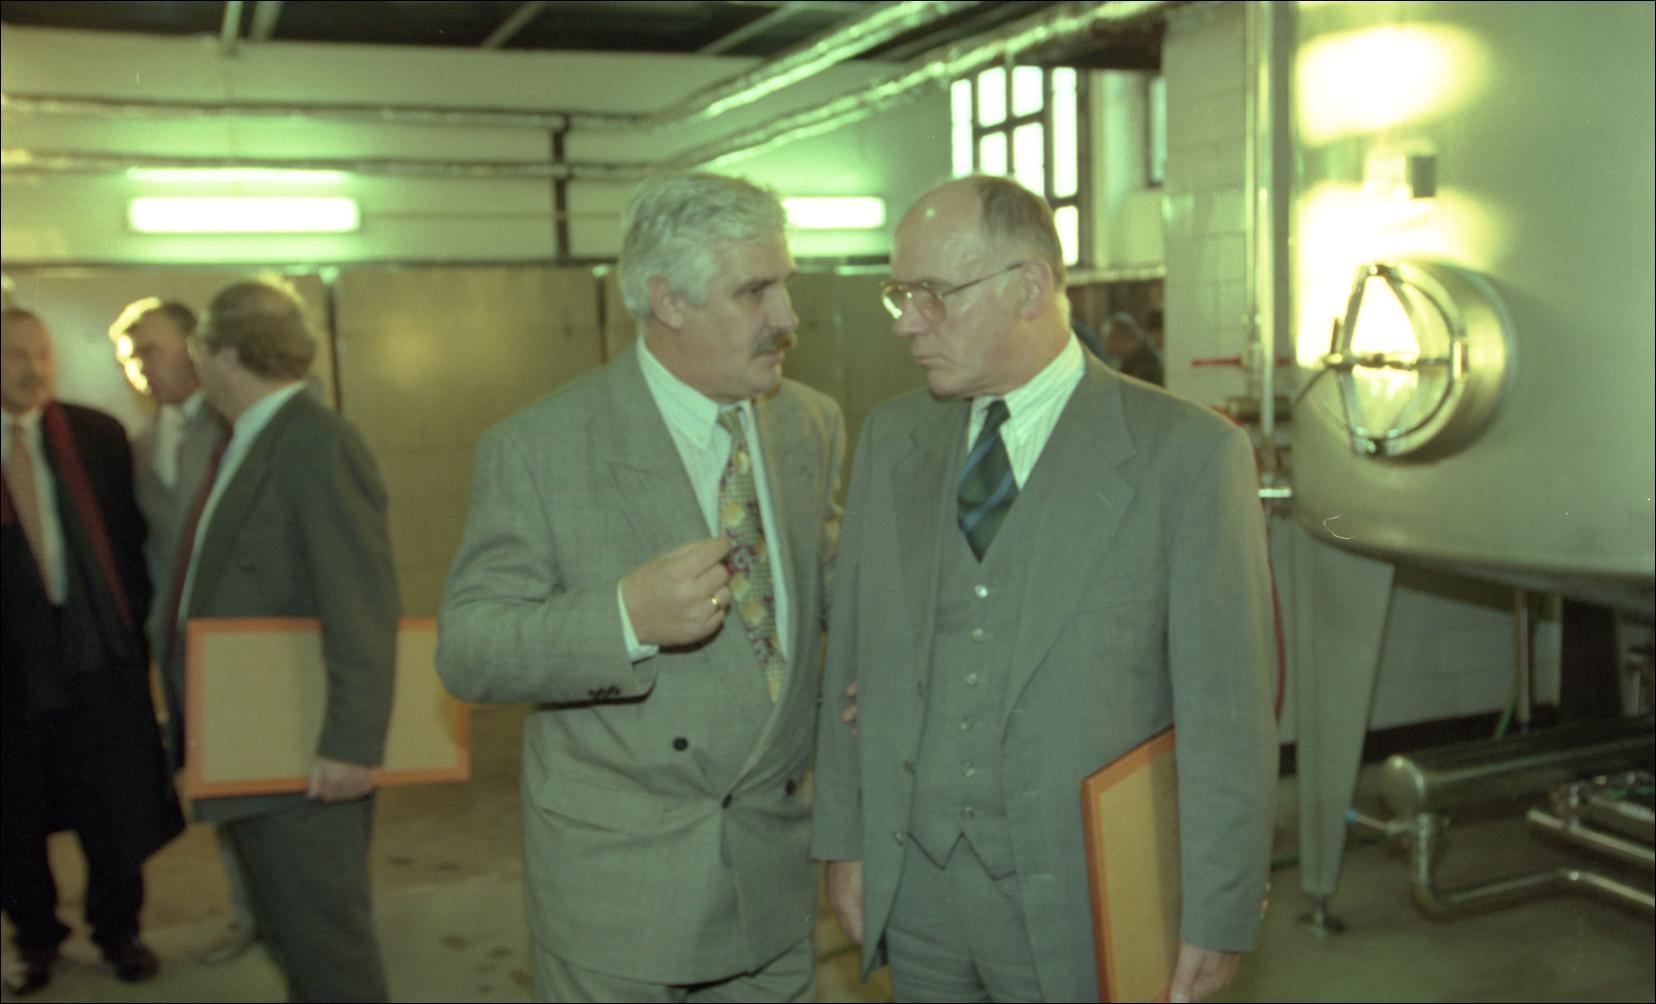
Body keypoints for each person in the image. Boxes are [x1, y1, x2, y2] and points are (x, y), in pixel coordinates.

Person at [811, 177, 1276, 1003]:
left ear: (1028, 288)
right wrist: (845, 844)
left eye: (932, 294)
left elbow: (1228, 709)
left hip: (1084, 892)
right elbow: (851, 652)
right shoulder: (891, 439)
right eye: (899, 294)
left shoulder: (1186, 455)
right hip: (916, 887)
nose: (908, 321)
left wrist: (1220, 907)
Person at [437, 172, 844, 1003]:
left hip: (772, 878)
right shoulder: (541, 447)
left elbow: (829, 585)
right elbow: (469, 649)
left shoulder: (809, 423)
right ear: (669, 301)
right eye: (755, 291)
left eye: (786, 285)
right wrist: (624, 618)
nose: (787, 318)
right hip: (619, 895)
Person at [172, 280, 398, 1002]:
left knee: (328, 950)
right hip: (258, 744)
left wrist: (352, 745)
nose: (193, 362)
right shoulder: (252, 439)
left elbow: (361, 602)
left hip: (304, 756)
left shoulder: (315, 443)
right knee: (292, 934)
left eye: (197, 347)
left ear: (226, 354)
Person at [1, 308, 182, 994]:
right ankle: (35, 939)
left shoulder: (95, 436)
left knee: (112, 807)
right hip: (11, 671)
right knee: (14, 815)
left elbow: (133, 544)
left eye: (42, 354)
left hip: (94, 658)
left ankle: (119, 931)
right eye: (15, 354)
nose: (33, 368)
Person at [112, 298, 259, 964]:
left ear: (193, 347)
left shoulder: (239, 423)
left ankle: (291, 907)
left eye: (151, 349)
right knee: (219, 784)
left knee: (269, 778)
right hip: (184, 648)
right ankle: (246, 911)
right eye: (130, 357)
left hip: (250, 643)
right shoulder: (139, 447)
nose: (140, 366)